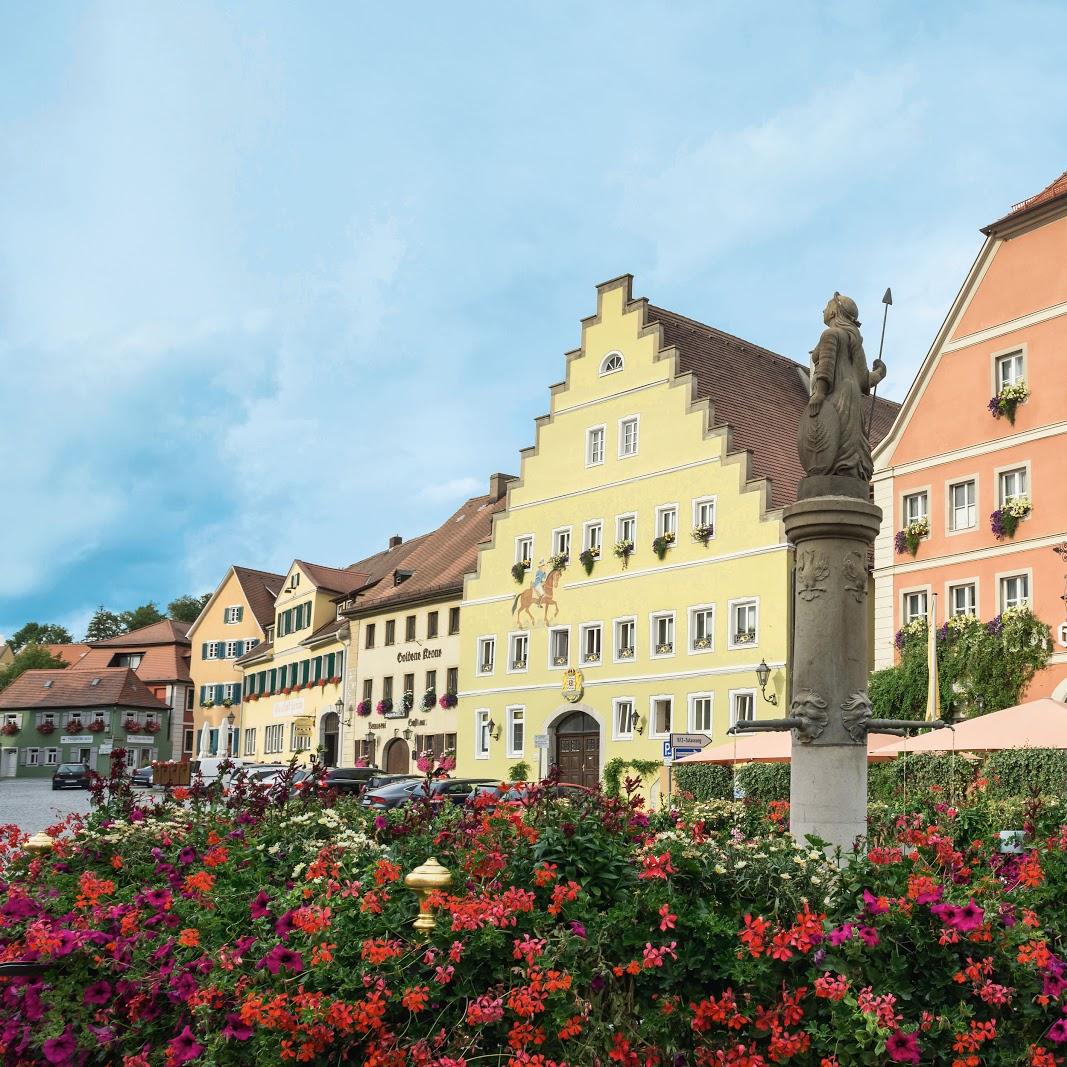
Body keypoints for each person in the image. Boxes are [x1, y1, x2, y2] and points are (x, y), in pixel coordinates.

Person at [804, 292, 886, 482]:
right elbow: (864, 380)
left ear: (835, 311)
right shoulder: (853, 339)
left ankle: (830, 480)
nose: (823, 309)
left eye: (827, 306)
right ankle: (848, 475)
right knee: (848, 445)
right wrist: (880, 373)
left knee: (831, 438)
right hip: (852, 398)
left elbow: (826, 366)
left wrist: (819, 394)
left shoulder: (830, 334)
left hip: (835, 396)